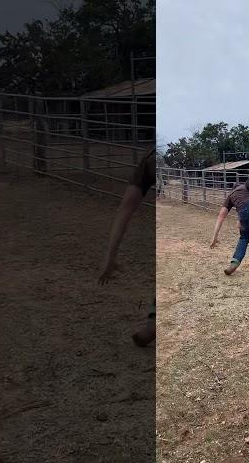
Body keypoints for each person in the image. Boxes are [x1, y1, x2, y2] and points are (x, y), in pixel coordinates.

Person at [98, 146, 156, 347]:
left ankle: (154, 323)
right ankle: (154, 322)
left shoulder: (150, 158)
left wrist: (110, 256)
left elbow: (125, 210)